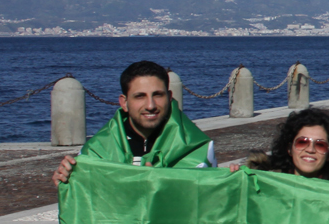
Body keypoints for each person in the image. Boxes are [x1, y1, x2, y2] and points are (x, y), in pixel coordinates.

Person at [52, 60, 214, 184]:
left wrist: (233, 182)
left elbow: (208, 204)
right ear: (124, 102)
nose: (150, 105)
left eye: (158, 95)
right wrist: (67, 179)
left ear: (170, 97)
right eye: (140, 96)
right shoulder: (97, 151)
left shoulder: (196, 147)